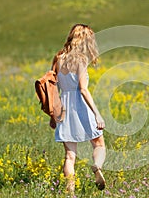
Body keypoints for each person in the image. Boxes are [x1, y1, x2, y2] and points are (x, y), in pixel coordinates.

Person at [51, 24, 106, 194]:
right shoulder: (81, 59)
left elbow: (54, 88)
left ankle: (71, 192)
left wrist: (53, 115)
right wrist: (97, 114)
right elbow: (83, 89)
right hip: (81, 106)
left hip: (64, 108)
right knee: (99, 144)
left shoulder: (58, 58)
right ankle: (97, 166)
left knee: (69, 156)